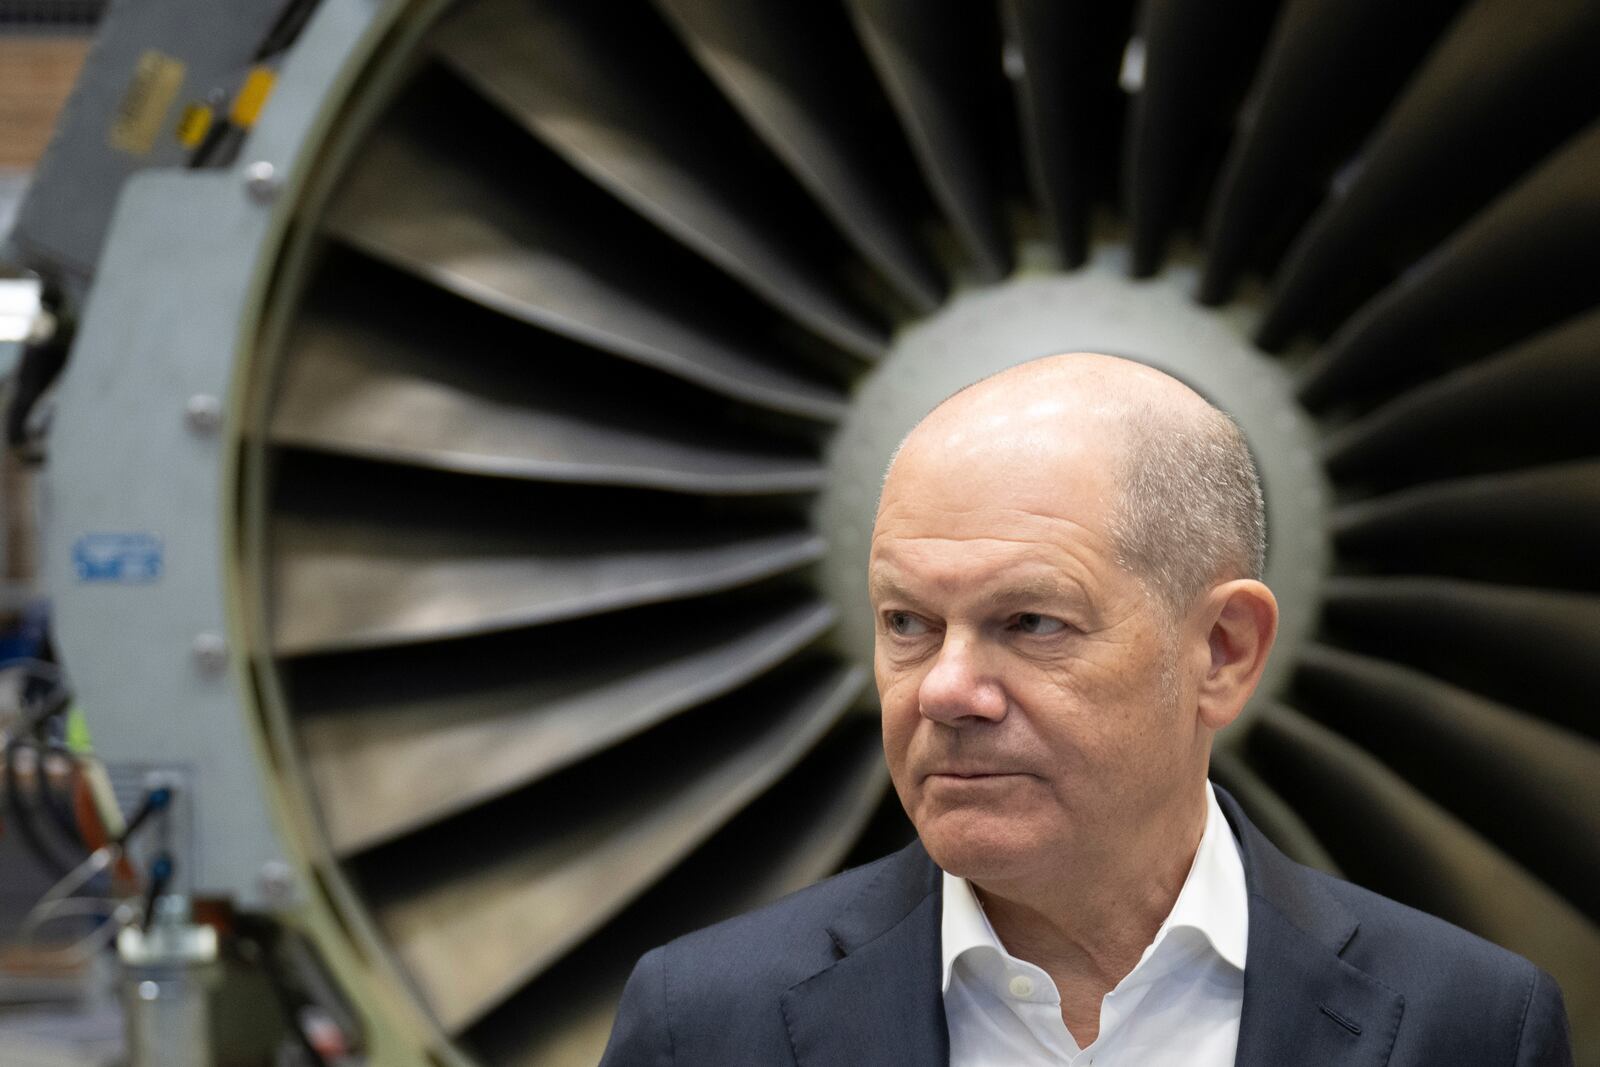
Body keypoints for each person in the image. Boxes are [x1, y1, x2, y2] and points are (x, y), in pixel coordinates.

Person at [599, 353, 1573, 1066]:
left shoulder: (1471, 1023)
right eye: (907, 621)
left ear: (1221, 651)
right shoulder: (705, 1022)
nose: (943, 687)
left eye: (1029, 621)